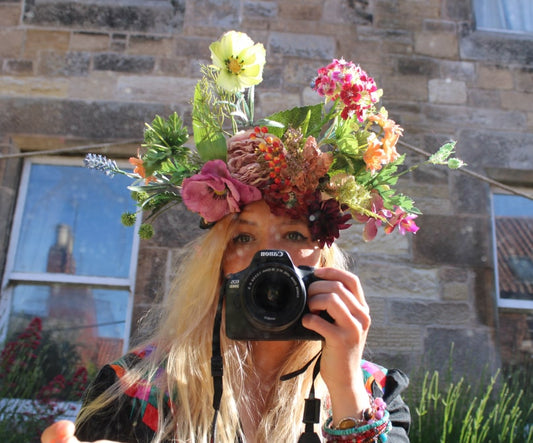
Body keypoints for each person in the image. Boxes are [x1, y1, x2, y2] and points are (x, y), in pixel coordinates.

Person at [40, 29, 459, 442]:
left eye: (294, 235)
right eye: (243, 238)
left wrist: (346, 385)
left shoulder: (374, 392)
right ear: (218, 261)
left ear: (325, 259)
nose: (269, 255)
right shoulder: (136, 389)